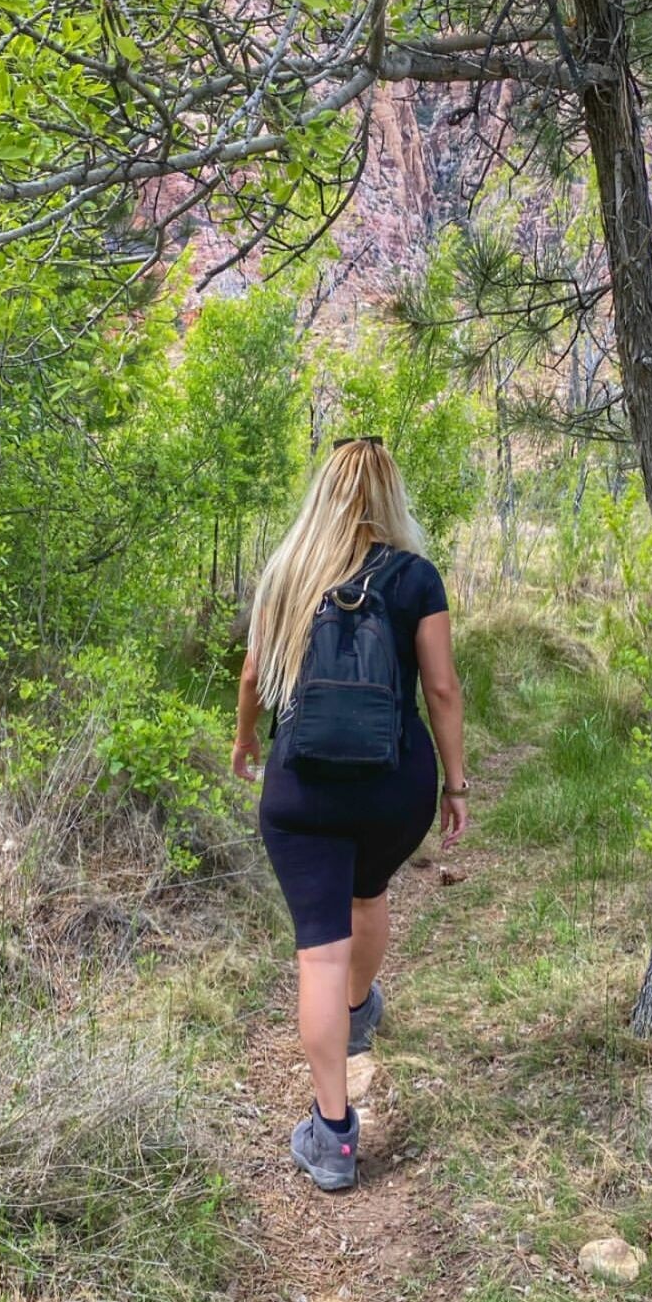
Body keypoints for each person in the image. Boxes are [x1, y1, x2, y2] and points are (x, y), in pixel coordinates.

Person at [232, 436, 468, 1190]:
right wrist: (456, 784)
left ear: (323, 492)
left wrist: (244, 740)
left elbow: (252, 674)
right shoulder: (415, 576)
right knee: (368, 891)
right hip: (393, 786)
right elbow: (442, 689)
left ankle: (333, 1136)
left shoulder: (288, 570)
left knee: (318, 955)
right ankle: (359, 1008)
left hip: (302, 789)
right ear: (390, 494)